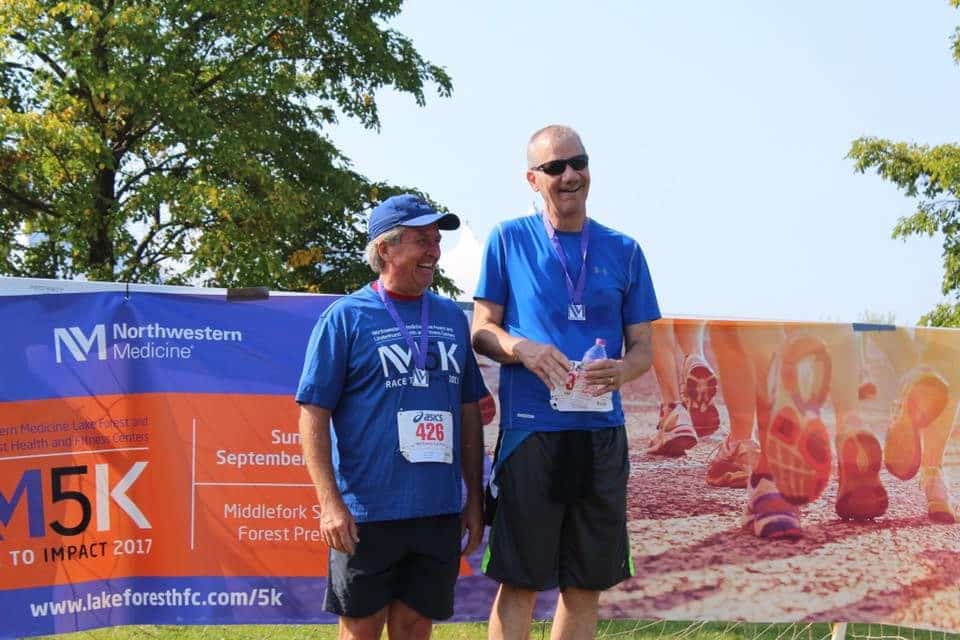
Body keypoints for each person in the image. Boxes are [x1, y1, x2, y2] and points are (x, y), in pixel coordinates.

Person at [471, 125, 660, 640]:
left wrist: (623, 370)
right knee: (520, 581)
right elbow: (481, 331)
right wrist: (521, 349)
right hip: (532, 432)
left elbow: (643, 348)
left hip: (600, 434)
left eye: (579, 163)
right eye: (555, 168)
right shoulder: (507, 239)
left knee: (584, 586)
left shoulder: (624, 249)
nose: (570, 175)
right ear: (533, 179)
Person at [296, 194, 488, 640]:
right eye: (423, 241)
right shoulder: (344, 318)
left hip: (437, 509)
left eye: (437, 241)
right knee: (361, 630)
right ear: (386, 249)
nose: (434, 252)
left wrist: (473, 499)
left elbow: (468, 411)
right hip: (368, 512)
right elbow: (312, 414)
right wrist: (330, 504)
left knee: (416, 627)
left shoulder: (449, 317)